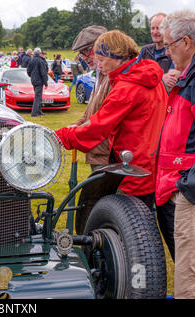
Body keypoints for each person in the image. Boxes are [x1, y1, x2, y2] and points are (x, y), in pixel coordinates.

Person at [55, 30, 168, 211]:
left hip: (132, 171)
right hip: (150, 165)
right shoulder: (148, 76)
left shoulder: (127, 87)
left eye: (102, 60)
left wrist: (59, 136)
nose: (99, 66)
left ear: (117, 57)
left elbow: (97, 128)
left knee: (126, 229)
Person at [155, 10, 195, 299]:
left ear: (186, 42)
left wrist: (189, 187)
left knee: (193, 283)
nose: (166, 52)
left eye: (169, 45)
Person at [68, 25, 111, 172]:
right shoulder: (99, 75)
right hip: (98, 153)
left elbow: (104, 121)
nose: (84, 58)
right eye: (81, 53)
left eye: (88, 50)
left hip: (109, 157)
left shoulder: (113, 77)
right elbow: (88, 114)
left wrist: (70, 135)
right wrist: (73, 126)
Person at [138, 13, 180, 92]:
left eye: (158, 28)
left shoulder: (173, 51)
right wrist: (161, 78)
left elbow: (170, 82)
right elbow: (134, 74)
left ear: (167, 29)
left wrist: (144, 78)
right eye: (152, 28)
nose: (154, 32)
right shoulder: (145, 50)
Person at [27, 48, 48, 117]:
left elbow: (28, 71)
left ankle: (39, 111)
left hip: (33, 80)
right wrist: (46, 82)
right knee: (38, 97)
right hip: (39, 80)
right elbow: (43, 72)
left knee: (38, 96)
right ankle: (34, 113)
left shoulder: (31, 60)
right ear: (39, 53)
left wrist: (32, 76)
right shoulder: (40, 61)